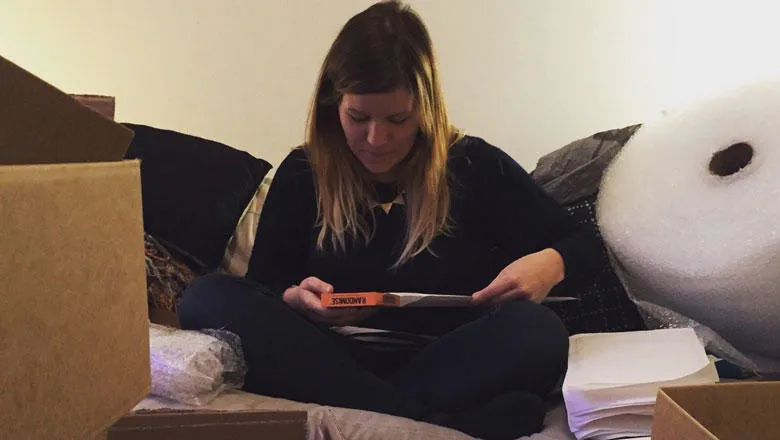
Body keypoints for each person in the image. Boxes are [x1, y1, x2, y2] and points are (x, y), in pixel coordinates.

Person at [178, 2, 600, 439]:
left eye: (398, 119)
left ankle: (394, 412)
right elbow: (263, 285)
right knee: (207, 298)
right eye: (358, 118)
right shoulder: (304, 171)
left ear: (426, 108)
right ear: (332, 104)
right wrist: (293, 297)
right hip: (326, 357)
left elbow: (584, 246)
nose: (377, 140)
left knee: (538, 331)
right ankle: (424, 418)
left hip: (447, 358)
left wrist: (551, 263)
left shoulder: (474, 165)